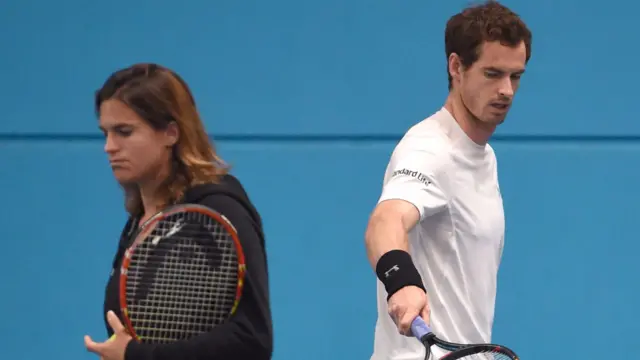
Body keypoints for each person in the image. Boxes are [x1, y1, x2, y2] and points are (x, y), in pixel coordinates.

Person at [364, 1, 532, 359]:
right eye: (492, 74)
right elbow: (385, 220)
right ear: (456, 67)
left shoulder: (483, 156)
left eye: (515, 76)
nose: (507, 90)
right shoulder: (429, 149)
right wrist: (402, 282)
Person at [83, 63, 273, 360]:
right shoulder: (139, 221)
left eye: (124, 132)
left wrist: (135, 355)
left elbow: (251, 340)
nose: (109, 146)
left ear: (170, 133)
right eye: (105, 133)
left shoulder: (218, 210)